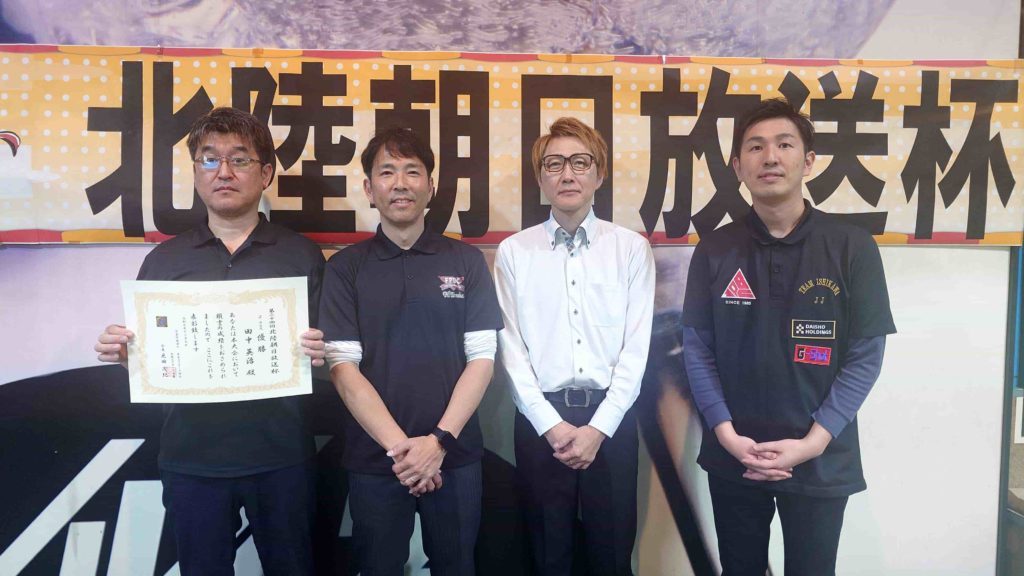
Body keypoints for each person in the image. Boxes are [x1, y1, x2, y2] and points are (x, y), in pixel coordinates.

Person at [94, 107, 326, 575]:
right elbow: (153, 358)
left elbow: (328, 352)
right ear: (196, 171)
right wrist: (125, 355)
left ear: (265, 173)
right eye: (209, 159)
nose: (224, 172)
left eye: (239, 159)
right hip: (191, 459)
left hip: (281, 456)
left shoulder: (301, 255)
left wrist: (322, 350)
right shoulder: (165, 261)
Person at [681, 98, 897, 575]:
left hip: (820, 456)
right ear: (738, 166)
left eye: (784, 145)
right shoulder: (715, 249)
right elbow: (698, 351)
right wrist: (726, 434)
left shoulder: (852, 246)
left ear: (809, 160)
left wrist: (813, 442)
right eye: (755, 147)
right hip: (735, 453)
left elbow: (866, 355)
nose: (770, 158)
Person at [319, 126, 503, 576]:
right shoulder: (345, 269)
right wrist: (405, 453)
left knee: (457, 566)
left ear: (431, 187)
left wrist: (437, 443)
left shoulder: (466, 261)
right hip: (376, 460)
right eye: (387, 172)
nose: (400, 183)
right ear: (369, 189)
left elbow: (482, 360)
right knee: (378, 566)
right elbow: (343, 368)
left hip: (454, 456)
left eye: (412, 171)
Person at [494, 117, 655, 576]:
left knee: (613, 554)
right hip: (540, 421)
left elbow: (636, 350)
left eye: (580, 163)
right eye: (554, 164)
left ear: (599, 174)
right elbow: (511, 350)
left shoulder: (630, 249)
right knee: (548, 556)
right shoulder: (514, 252)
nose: (567, 174)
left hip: (612, 419)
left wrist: (599, 428)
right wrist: (551, 425)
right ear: (540, 177)